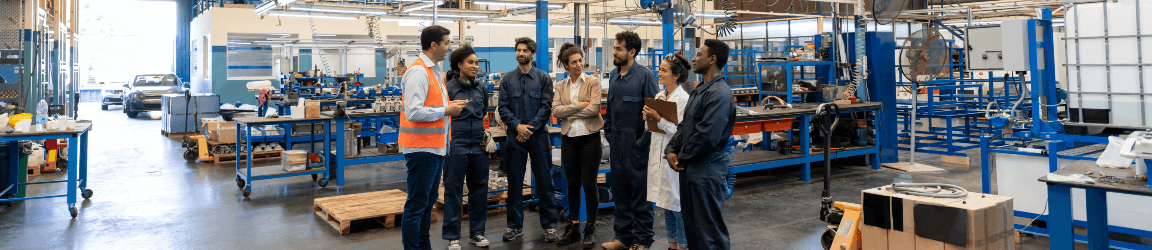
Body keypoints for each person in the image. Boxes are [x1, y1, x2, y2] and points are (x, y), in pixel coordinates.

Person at [398, 25, 468, 250]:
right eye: (447, 43)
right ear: (434, 45)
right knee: (417, 205)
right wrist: (446, 111)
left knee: (427, 203)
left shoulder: (433, 70)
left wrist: (448, 106)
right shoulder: (418, 72)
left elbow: (432, 105)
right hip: (421, 149)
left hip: (435, 148)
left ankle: (423, 246)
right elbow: (414, 112)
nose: (449, 48)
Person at [665, 39, 736, 250]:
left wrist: (681, 156)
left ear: (712, 59)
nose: (694, 58)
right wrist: (671, 150)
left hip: (706, 170)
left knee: (709, 232)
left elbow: (707, 136)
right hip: (690, 169)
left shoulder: (720, 94)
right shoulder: (700, 90)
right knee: (693, 230)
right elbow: (684, 126)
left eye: (699, 54)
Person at [497, 37, 560, 242]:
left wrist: (529, 128)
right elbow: (503, 107)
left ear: (532, 53)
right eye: (518, 50)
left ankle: (550, 226)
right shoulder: (508, 79)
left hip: (538, 136)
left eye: (525, 50)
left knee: (544, 181)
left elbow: (546, 106)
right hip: (515, 137)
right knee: (515, 183)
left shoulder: (543, 78)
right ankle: (515, 226)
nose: (520, 53)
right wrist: (518, 127)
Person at [601, 31, 659, 250]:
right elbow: (609, 113)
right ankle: (622, 238)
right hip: (616, 146)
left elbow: (654, 116)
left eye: (618, 48)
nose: (614, 52)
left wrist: (642, 144)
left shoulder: (645, 77)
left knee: (640, 197)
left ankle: (642, 241)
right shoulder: (614, 76)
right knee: (621, 194)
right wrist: (609, 135)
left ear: (631, 52)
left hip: (637, 148)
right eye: (615, 47)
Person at [550, 42, 604, 248]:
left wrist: (569, 112)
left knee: (589, 185)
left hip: (590, 138)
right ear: (566, 65)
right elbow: (555, 111)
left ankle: (590, 228)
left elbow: (594, 109)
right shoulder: (560, 86)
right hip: (569, 139)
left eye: (580, 60)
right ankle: (573, 227)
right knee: (572, 185)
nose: (579, 64)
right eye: (574, 62)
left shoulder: (593, 82)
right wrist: (577, 107)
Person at [441, 45, 491, 250]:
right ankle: (453, 236)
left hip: (478, 143)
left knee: (479, 188)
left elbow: (484, 110)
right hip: (456, 142)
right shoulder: (448, 88)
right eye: (470, 62)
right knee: (453, 190)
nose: (475, 66)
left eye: (476, 63)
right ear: (459, 64)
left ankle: (477, 233)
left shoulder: (481, 88)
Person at [642, 52, 692, 250]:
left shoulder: (683, 99)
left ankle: (682, 245)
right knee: (666, 205)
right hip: (657, 155)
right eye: (660, 69)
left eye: (664, 70)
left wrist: (658, 118)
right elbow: (651, 129)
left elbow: (680, 132)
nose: (659, 73)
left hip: (673, 157)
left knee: (677, 204)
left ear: (676, 75)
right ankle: (672, 245)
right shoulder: (659, 96)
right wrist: (648, 118)